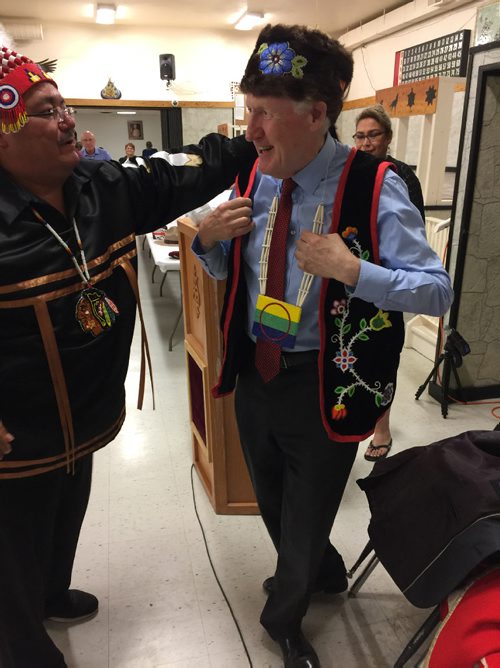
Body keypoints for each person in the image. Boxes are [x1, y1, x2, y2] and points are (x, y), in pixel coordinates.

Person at [193, 24, 453, 667]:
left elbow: (436, 292)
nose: (248, 130)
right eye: (247, 109)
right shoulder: (256, 175)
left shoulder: (375, 185)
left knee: (307, 509)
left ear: (316, 114)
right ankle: (318, 570)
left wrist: (353, 271)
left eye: (263, 114)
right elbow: (239, 276)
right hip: (257, 370)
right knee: (274, 496)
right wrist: (207, 244)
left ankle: (285, 617)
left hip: (325, 382)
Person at [0, 44, 256, 668]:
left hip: (82, 414)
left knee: (68, 510)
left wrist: (259, 134)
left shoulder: (99, 185)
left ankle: (52, 592)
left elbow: (183, 171)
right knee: (13, 543)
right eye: (44, 111)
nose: (65, 120)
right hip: (16, 434)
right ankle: (21, 646)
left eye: (62, 104)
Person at [353, 104, 425, 462]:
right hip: (352, 280)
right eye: (360, 136)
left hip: (387, 284)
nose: (366, 143)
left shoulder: (402, 177)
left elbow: (413, 236)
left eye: (374, 135)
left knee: (383, 357)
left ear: (387, 138)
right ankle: (350, 419)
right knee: (351, 353)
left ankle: (381, 428)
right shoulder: (349, 173)